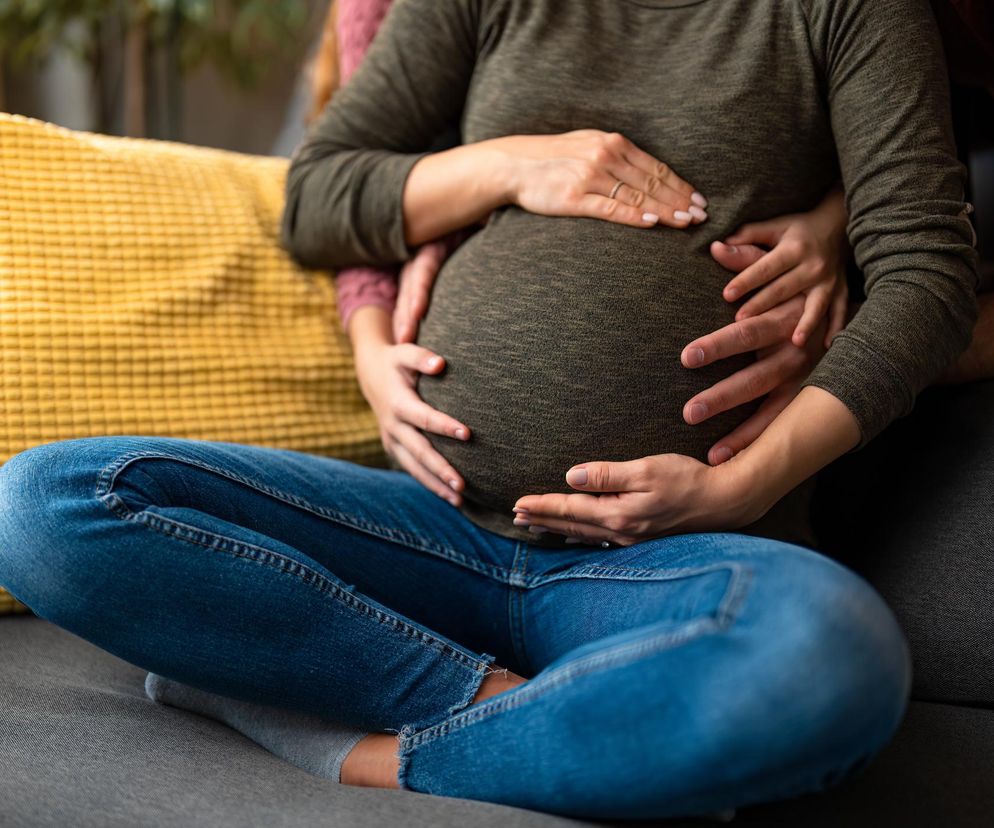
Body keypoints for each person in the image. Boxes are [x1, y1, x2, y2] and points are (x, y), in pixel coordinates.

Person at [0, 0, 979, 820]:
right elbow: (320, 194)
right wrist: (510, 164)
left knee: (830, 658)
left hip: (664, 563)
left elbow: (927, 275)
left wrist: (738, 487)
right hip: (425, 527)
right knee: (49, 503)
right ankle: (503, 711)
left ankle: (354, 741)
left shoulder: (847, 11)